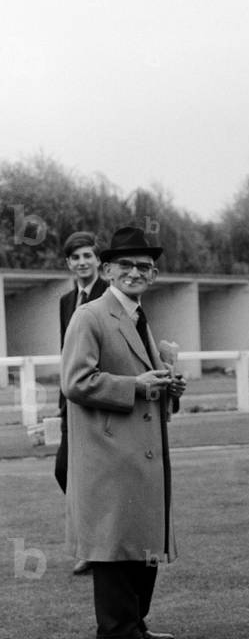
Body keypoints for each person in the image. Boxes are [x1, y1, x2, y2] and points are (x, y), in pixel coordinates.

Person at [61, 226, 187, 639]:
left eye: (145, 267)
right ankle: (116, 634)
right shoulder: (90, 315)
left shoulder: (137, 316)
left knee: (141, 540)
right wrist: (135, 384)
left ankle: (135, 623)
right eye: (128, 265)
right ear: (109, 269)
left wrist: (169, 385)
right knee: (116, 542)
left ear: (153, 275)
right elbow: (76, 382)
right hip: (111, 451)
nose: (136, 273)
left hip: (142, 450)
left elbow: (145, 380)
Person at [55, 231, 109, 575]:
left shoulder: (112, 297)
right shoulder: (64, 302)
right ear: (68, 263)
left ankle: (103, 547)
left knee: (102, 476)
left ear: (98, 261)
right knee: (64, 470)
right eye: (75, 258)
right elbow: (68, 355)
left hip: (103, 399)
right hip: (72, 402)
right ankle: (94, 543)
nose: (81, 262)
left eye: (87, 256)